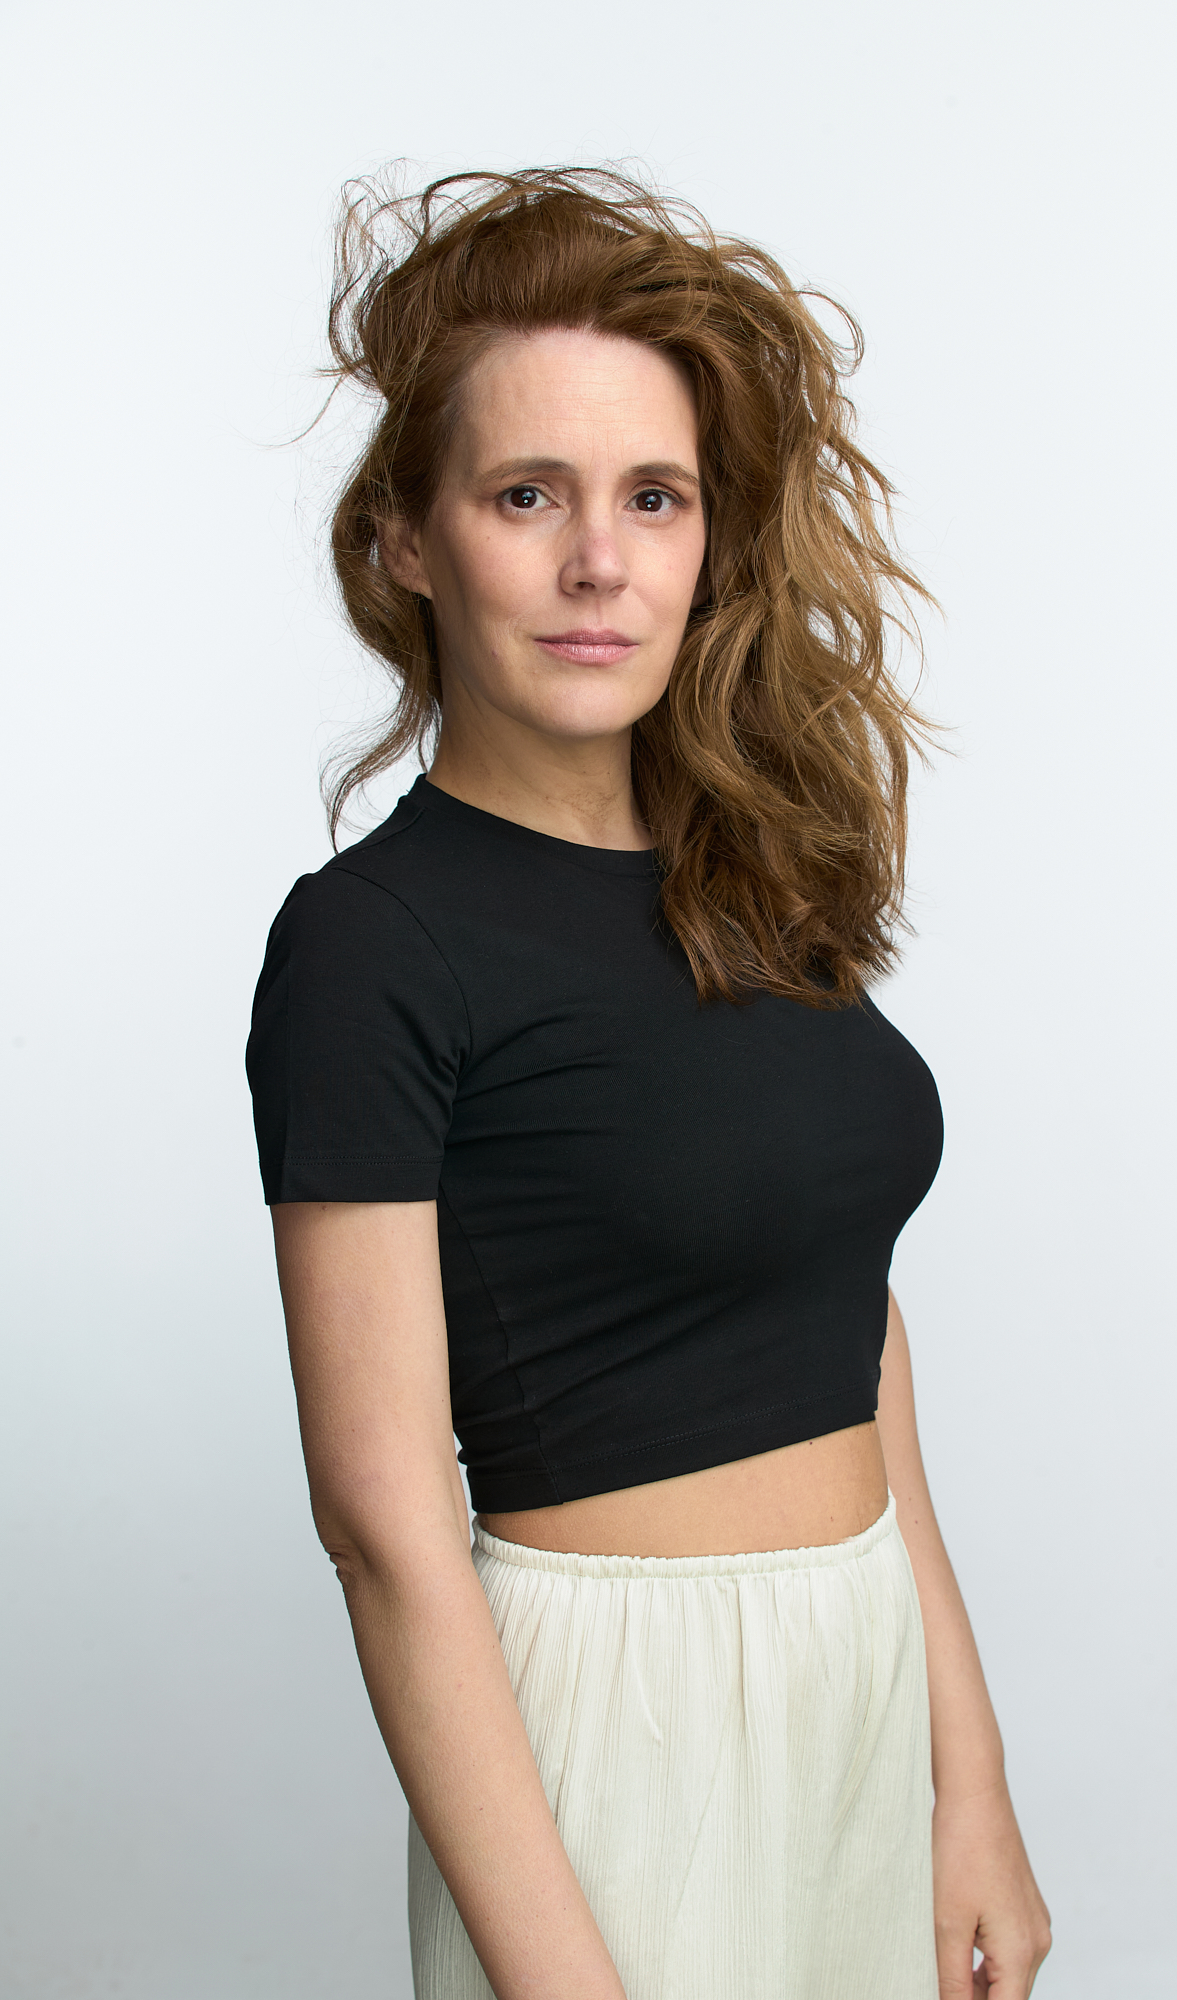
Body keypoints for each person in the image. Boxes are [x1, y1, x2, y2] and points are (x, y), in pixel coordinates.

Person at [246, 166, 1051, 2000]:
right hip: (610, 1723)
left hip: (857, 1665)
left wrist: (969, 1780)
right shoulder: (371, 945)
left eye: (652, 497)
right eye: (526, 495)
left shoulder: (754, 879)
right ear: (407, 541)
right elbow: (381, 1522)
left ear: (707, 541)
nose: (598, 562)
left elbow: (846, 1322)